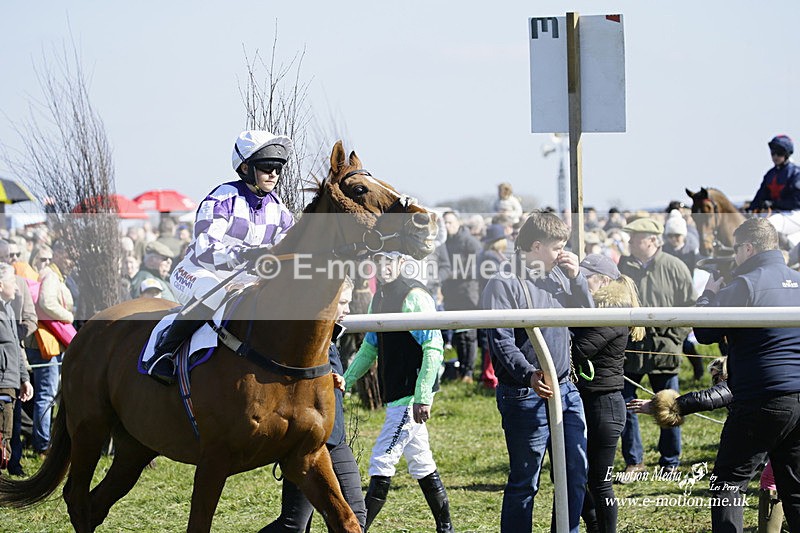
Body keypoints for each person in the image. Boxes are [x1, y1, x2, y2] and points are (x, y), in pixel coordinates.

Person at [146, 130, 295, 384]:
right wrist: (246, 255)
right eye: (268, 166)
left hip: (243, 282)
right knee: (215, 290)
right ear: (246, 168)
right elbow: (205, 250)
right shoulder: (223, 197)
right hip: (196, 274)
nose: (274, 174)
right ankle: (164, 352)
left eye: (279, 168)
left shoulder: (279, 209)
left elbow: (289, 250)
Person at [481, 212, 592, 533]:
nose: (564, 253)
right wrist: (530, 374)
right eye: (559, 247)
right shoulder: (503, 282)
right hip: (524, 394)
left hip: (566, 388)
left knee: (575, 470)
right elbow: (500, 341)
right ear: (537, 246)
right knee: (525, 479)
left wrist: (577, 280)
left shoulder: (559, 278)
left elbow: (586, 319)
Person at [692, 217, 800, 531]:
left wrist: (708, 294)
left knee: (727, 483)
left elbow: (703, 331)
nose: (735, 256)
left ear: (749, 247)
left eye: (737, 249)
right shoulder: (796, 279)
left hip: (760, 398)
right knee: (794, 490)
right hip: (797, 397)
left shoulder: (746, 283)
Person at [343, 251, 453, 533]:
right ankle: (446, 526)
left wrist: (423, 396)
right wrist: (345, 381)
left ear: (402, 263)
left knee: (382, 458)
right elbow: (370, 346)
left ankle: (359, 528)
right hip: (398, 394)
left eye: (389, 261)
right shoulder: (378, 296)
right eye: (378, 261)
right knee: (421, 462)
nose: (383, 267)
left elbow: (433, 347)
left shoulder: (413, 295)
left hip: (409, 396)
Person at [259, 277, 367, 533]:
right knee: (294, 526)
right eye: (342, 303)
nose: (348, 310)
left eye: (348, 302)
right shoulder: (304, 338)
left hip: (335, 440)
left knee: (354, 520)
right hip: (307, 445)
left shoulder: (331, 335)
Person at [617, 217, 695, 477]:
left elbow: (690, 307)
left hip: (665, 349)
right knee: (626, 405)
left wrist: (675, 338)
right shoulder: (622, 268)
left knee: (670, 406)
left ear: (651, 240)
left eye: (635, 238)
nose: (629, 242)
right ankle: (634, 461)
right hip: (632, 349)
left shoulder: (676, 267)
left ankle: (670, 462)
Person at [573, 256, 645, 533]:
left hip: (604, 405)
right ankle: (594, 525)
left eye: (585, 276)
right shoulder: (599, 309)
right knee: (578, 475)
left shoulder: (611, 313)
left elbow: (578, 350)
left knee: (599, 480)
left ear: (602, 281)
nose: (580, 281)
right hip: (595, 402)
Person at [33, 241, 74, 456]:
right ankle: (43, 444)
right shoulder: (50, 275)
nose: (70, 261)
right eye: (68, 256)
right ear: (58, 253)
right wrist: (68, 318)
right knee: (46, 395)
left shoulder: (55, 275)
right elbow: (46, 302)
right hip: (47, 343)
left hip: (51, 341)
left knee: (46, 394)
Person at [0, 263, 33, 473]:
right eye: (13, 281)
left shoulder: (9, 310)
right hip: (1, 384)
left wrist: (24, 379)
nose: (17, 287)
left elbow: (15, 347)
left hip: (11, 383)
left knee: (7, 434)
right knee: (1, 435)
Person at [441, 211, 482, 383]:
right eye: (444, 223)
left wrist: (453, 274)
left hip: (468, 293)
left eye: (450, 222)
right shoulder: (444, 243)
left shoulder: (469, 241)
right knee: (457, 333)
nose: (447, 226)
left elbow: (481, 266)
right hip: (451, 294)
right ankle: (461, 369)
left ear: (458, 223)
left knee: (468, 334)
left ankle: (469, 372)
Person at [749, 135, 800, 246]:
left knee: (768, 225)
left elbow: (796, 201)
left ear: (786, 154)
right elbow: (760, 196)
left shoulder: (796, 173)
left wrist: (774, 203)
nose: (775, 156)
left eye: (779, 153)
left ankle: (789, 253)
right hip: (779, 214)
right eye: (773, 153)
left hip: (795, 214)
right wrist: (749, 209)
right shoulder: (770, 174)